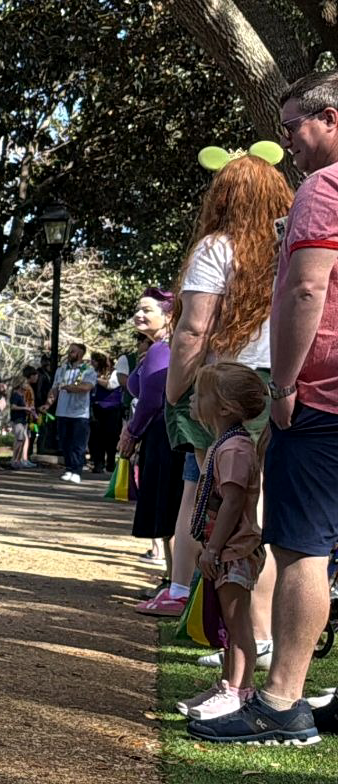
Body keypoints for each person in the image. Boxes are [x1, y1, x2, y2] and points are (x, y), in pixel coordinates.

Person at [194, 72, 338, 744]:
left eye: (293, 127)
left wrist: (282, 386)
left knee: (302, 547)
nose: (288, 142)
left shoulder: (324, 189)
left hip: (323, 400)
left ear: (330, 118)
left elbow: (306, 289)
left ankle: (281, 704)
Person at [165, 151, 292, 673]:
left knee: (222, 509)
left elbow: (194, 328)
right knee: (257, 508)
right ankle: (262, 636)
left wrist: (175, 389)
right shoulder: (289, 244)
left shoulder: (216, 247)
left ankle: (243, 637)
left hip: (223, 381)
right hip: (275, 380)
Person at [176, 363, 270, 723]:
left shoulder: (234, 450)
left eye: (201, 395)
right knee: (227, 625)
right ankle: (227, 684)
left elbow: (232, 501)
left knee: (237, 624)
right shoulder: (226, 444)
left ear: (225, 406)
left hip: (235, 550)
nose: (193, 401)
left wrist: (214, 548)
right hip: (225, 547)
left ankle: (240, 691)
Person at [122, 288, 185, 613]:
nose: (139, 314)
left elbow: (149, 400)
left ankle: (176, 583)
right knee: (167, 511)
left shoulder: (164, 349)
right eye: (138, 308)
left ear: (168, 314)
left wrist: (132, 432)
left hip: (164, 436)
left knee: (169, 509)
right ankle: (171, 580)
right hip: (161, 435)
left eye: (147, 309)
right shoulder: (157, 349)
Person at [52, 342, 98, 484]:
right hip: (62, 411)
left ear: (81, 354)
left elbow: (87, 387)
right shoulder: (61, 369)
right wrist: (48, 403)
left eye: (73, 351)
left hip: (79, 413)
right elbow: (54, 388)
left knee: (78, 444)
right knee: (65, 443)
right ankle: (69, 468)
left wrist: (69, 387)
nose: (69, 353)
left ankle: (77, 471)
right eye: (69, 350)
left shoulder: (88, 370)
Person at [88, 352, 125, 474]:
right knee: (97, 436)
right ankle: (98, 463)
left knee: (111, 436)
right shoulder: (93, 373)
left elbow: (111, 385)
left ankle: (110, 463)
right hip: (97, 407)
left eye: (94, 360)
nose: (92, 363)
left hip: (112, 408)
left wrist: (96, 379)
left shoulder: (115, 373)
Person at [7, 368, 39, 469]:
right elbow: (13, 406)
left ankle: (18, 460)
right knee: (19, 439)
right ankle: (14, 460)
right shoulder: (15, 394)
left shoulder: (22, 395)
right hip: (17, 420)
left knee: (23, 439)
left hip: (23, 419)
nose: (26, 385)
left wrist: (32, 412)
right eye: (24, 383)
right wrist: (25, 408)